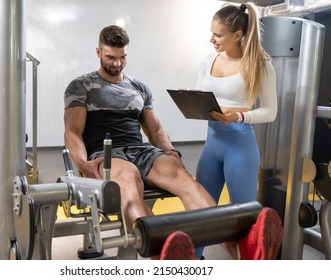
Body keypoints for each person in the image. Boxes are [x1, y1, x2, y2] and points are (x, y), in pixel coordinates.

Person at [63, 24, 281, 260]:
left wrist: (170, 152)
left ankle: (244, 249)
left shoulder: (139, 87)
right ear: (98, 53)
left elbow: (154, 129)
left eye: (122, 57)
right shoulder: (81, 86)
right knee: (127, 179)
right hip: (107, 154)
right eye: (110, 58)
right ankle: (164, 249)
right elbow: (73, 132)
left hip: (141, 151)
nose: (117, 64)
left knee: (183, 178)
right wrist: (83, 164)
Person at [194, 3, 279, 258]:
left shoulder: (260, 64)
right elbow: (199, 94)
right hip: (212, 145)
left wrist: (238, 116)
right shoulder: (208, 59)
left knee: (244, 220)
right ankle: (192, 262)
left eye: (218, 35)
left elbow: (271, 111)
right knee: (199, 211)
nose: (212, 39)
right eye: (212, 33)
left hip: (239, 148)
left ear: (238, 35)